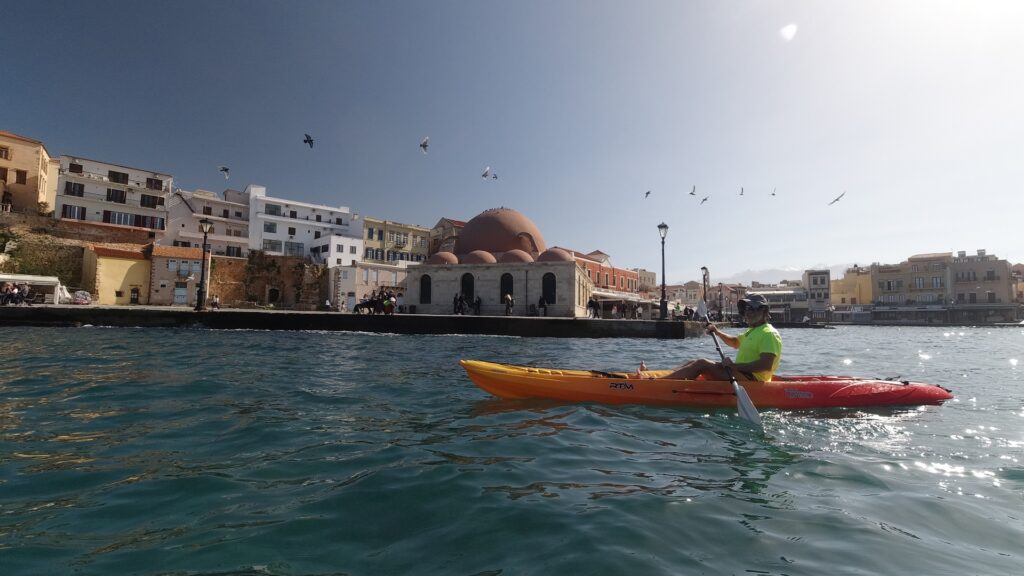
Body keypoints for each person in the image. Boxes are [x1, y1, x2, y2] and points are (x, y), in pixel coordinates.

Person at [662, 293, 782, 382]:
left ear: (764, 311)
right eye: (745, 309)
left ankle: (661, 383)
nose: (747, 312)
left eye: (752, 308)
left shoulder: (769, 334)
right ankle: (659, 377)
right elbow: (735, 342)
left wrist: (734, 366)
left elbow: (765, 366)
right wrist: (717, 332)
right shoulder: (752, 331)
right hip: (741, 373)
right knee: (694, 361)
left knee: (702, 364)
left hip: (752, 380)